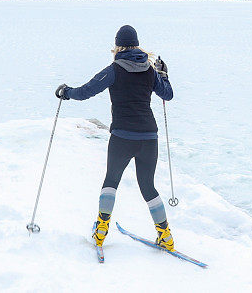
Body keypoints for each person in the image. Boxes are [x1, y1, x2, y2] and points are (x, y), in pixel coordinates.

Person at [55, 25, 175, 251]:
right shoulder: (150, 69)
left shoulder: (114, 69)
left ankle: (101, 230)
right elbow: (167, 94)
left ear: (118, 46)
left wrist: (66, 91)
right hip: (149, 137)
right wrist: (163, 75)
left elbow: (85, 91)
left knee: (111, 181)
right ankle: (166, 236)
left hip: (122, 136)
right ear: (137, 45)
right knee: (148, 186)